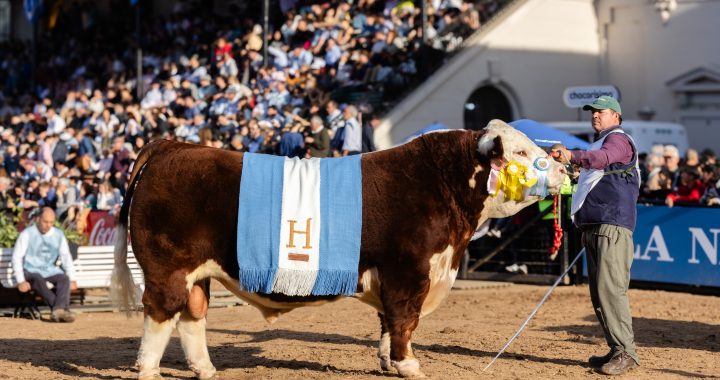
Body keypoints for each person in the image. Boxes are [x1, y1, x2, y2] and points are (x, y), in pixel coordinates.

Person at [551, 96, 640, 375]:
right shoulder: (602, 141)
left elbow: (601, 160)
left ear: (615, 115)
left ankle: (626, 352)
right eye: (593, 112)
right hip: (596, 225)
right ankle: (617, 348)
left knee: (610, 291)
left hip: (610, 225)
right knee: (601, 294)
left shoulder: (617, 140)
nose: (595, 116)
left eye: (600, 112)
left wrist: (571, 155)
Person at [11, 207, 77, 322]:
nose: (48, 225)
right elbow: (17, 257)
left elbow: (66, 256)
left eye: (51, 222)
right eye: (45, 222)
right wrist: (20, 280)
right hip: (30, 270)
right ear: (38, 219)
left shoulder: (58, 234)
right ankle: (60, 310)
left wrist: (72, 278)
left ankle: (58, 310)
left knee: (64, 278)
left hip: (49, 269)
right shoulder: (27, 234)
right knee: (37, 278)